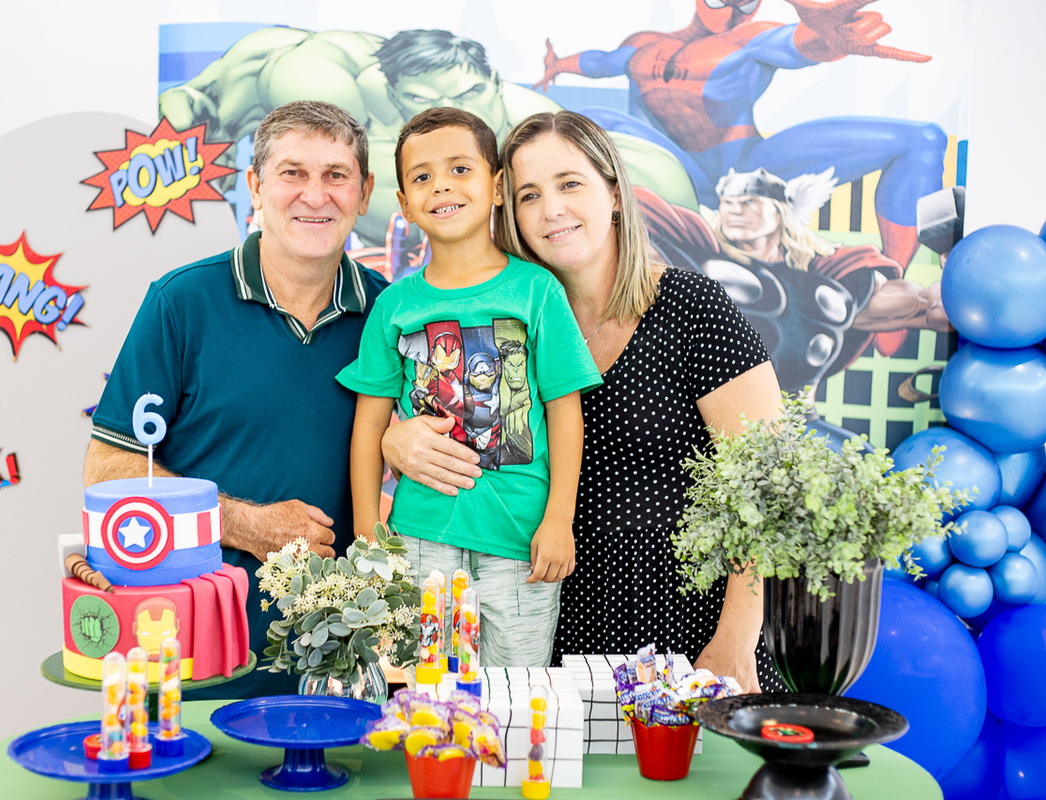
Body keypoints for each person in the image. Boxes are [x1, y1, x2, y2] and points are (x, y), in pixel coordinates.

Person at [382, 110, 784, 692]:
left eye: (570, 184)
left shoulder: (693, 309)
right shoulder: (505, 321)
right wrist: (395, 439)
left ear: (614, 194)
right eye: (529, 194)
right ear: (506, 205)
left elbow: (766, 485)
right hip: (549, 626)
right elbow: (450, 422)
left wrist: (738, 637)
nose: (552, 210)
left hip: (689, 634)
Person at [84, 100, 387, 698]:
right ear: (255, 186)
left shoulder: (391, 311)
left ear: (365, 192)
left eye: (336, 175)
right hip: (194, 654)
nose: (315, 195)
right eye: (292, 173)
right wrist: (246, 524)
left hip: (340, 668)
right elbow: (111, 472)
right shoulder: (182, 302)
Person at [337, 107, 602, 668]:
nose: (442, 186)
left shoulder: (537, 291)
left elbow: (565, 410)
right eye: (423, 177)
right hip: (417, 541)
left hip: (520, 542)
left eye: (460, 169)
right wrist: (367, 535)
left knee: (518, 695)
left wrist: (559, 520)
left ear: (497, 187)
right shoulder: (394, 306)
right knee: (422, 693)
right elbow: (368, 426)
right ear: (405, 204)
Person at [159, 27, 697, 253]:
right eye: (424, 101)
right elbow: (195, 105)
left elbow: (660, 193)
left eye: (470, 93)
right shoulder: (318, 76)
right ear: (393, 94)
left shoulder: (536, 128)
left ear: (492, 82)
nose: (456, 113)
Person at [534, 0, 945, 270]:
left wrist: (828, 39)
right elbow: (601, 61)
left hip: (749, 165)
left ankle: (893, 276)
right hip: (679, 168)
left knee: (923, 138)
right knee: (587, 119)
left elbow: (792, 43)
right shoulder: (642, 47)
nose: (732, 8)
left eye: (745, 2)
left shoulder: (748, 39)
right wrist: (558, 65)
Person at [640, 166, 951, 394]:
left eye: (749, 202)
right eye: (728, 203)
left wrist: (953, 271)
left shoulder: (824, 267)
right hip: (714, 405)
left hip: (794, 408)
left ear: (780, 212)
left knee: (921, 307)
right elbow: (643, 222)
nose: (735, 211)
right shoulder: (700, 249)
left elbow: (925, 307)